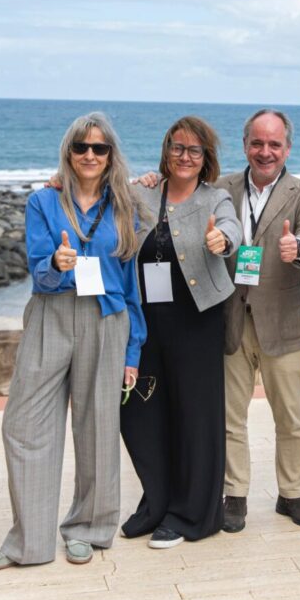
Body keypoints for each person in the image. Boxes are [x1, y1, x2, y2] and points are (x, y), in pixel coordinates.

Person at [0, 112, 145, 570]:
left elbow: (132, 288)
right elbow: (38, 272)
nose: (90, 155)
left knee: (98, 430)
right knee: (24, 424)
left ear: (111, 155)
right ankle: (28, 542)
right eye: (81, 147)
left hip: (108, 320)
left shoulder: (126, 204)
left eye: (100, 148)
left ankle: (87, 529)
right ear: (68, 152)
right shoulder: (42, 202)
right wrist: (57, 262)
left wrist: (134, 351)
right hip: (52, 313)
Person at [120, 116, 240, 549]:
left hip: (197, 321)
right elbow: (99, 195)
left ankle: (193, 515)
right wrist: (60, 178)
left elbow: (232, 228)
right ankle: (156, 504)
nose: (185, 156)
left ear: (206, 157)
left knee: (195, 418)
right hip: (148, 323)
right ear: (166, 150)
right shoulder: (143, 192)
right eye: (177, 148)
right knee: (144, 415)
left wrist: (221, 241)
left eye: (194, 150)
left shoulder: (216, 197)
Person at [218, 109, 300, 532]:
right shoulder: (221, 188)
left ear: (287, 149)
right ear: (245, 145)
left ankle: (292, 494)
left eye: (274, 144)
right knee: (230, 417)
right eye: (258, 143)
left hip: (285, 322)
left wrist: (296, 246)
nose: (266, 152)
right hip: (231, 320)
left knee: (292, 419)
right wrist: (147, 181)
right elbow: (176, 196)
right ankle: (235, 496)